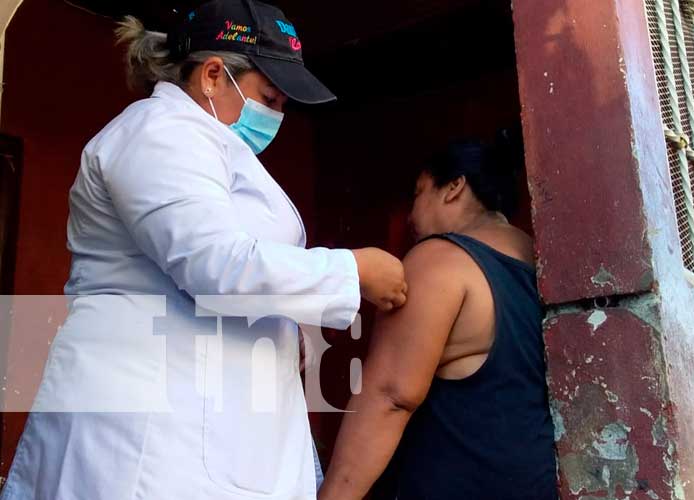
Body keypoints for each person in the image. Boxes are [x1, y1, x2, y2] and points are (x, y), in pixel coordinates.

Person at [0, 1, 407, 499]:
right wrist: (352, 271)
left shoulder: (210, 146)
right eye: (270, 99)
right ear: (213, 75)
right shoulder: (159, 133)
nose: (277, 117)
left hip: (211, 433)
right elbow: (216, 265)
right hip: (147, 443)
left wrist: (287, 331)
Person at [318, 134, 558, 500]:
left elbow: (390, 395)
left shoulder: (440, 259)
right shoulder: (537, 261)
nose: (411, 216)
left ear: (454, 187)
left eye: (418, 193)